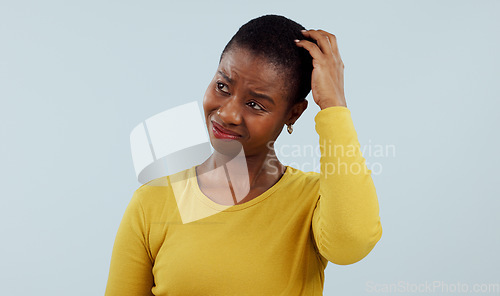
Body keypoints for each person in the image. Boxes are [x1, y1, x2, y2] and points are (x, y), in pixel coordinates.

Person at [105, 14, 382, 296]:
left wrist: (333, 105)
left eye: (255, 104)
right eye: (222, 86)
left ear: (293, 113)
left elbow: (352, 242)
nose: (228, 114)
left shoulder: (312, 202)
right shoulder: (153, 201)